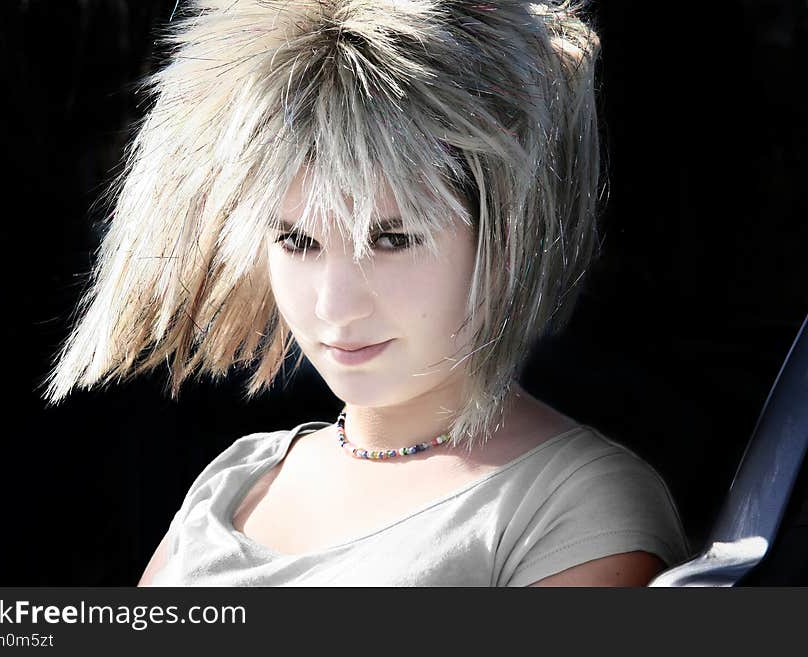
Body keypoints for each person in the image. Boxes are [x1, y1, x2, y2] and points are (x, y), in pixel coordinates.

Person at [41, 0, 690, 586]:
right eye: (296, 241)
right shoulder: (237, 480)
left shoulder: (577, 506)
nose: (333, 305)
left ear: (505, 235)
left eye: (393, 239)